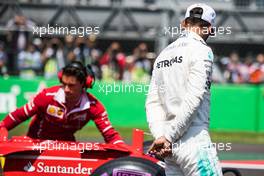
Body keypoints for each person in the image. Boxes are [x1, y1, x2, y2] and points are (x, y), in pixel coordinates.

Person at [146, 3, 222, 176]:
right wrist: (169, 137)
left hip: (169, 147)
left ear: (183, 24)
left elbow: (152, 102)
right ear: (210, 28)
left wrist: (161, 137)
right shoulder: (202, 50)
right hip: (193, 140)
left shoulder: (162, 54)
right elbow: (194, 97)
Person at [0, 61, 124, 144]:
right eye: (63, 84)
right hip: (36, 143)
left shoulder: (94, 107)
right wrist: (1, 128)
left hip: (66, 145)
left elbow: (111, 136)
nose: (66, 89)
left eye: (71, 85)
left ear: (83, 84)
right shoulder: (46, 96)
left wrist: (127, 155)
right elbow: (18, 116)